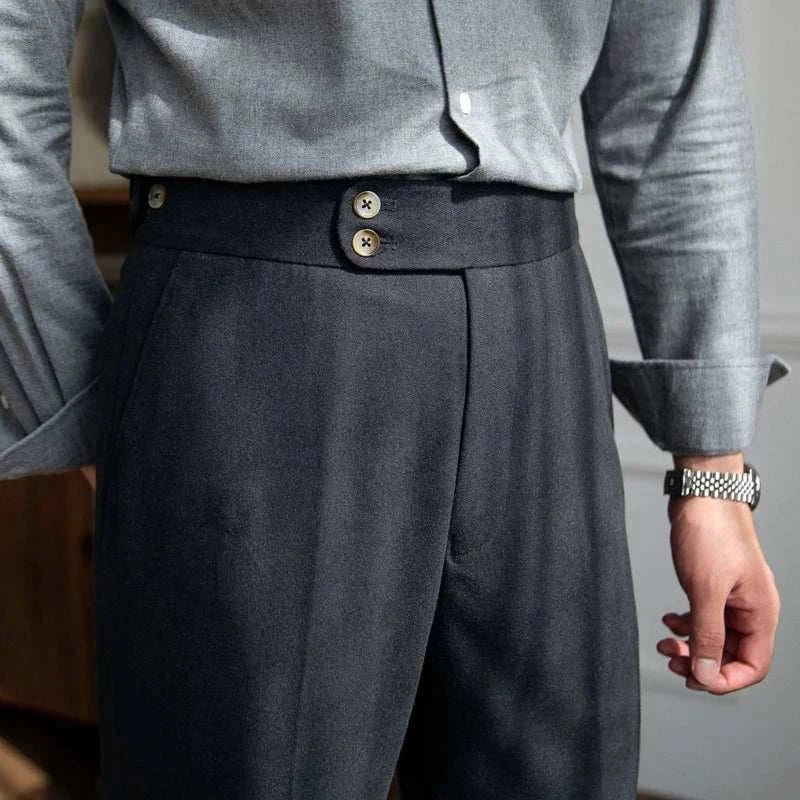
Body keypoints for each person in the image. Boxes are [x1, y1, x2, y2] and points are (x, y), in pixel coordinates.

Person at [0, 2, 790, 798]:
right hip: (253, 341)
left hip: (541, 339)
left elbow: (672, 98)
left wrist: (713, 470)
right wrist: (83, 407)